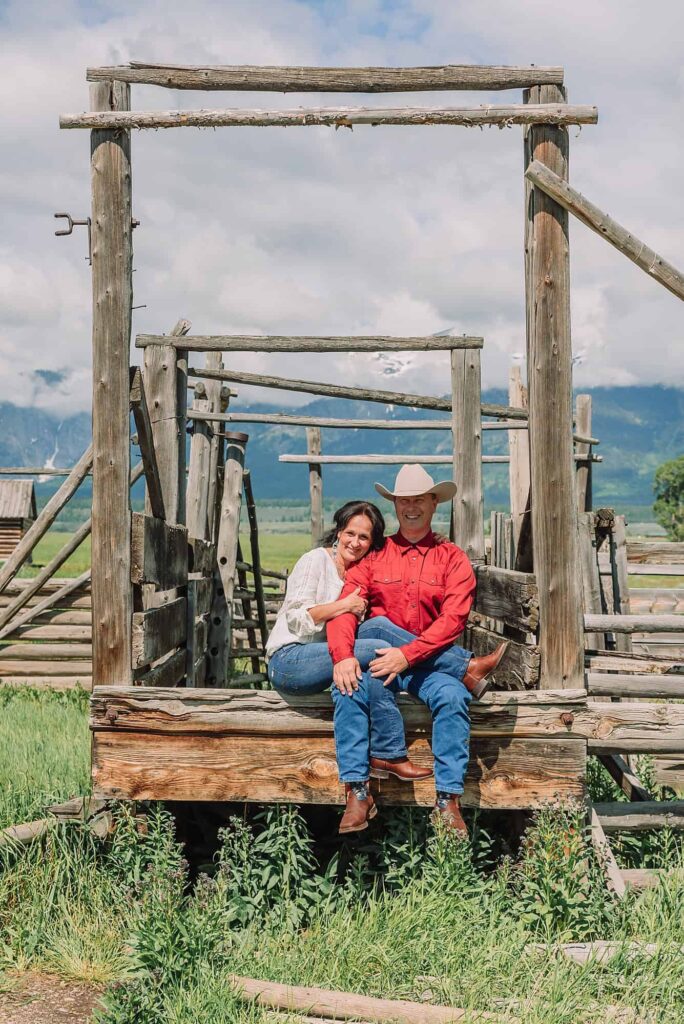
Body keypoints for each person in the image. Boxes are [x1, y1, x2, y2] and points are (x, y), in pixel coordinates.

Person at [327, 465, 508, 836]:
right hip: (381, 666)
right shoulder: (373, 556)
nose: (411, 507)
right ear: (394, 505)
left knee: (454, 698)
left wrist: (408, 655)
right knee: (348, 687)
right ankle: (357, 793)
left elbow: (453, 619)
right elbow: (347, 607)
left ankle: (447, 801)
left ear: (433, 503)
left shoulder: (452, 558)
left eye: (419, 500)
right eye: (403, 500)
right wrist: (343, 655)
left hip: (428, 665)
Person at [266, 500, 434, 820]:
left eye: (364, 538)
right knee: (374, 646)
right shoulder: (316, 560)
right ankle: (457, 665)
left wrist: (345, 653)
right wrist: (344, 606)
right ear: (338, 532)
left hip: (326, 659)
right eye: (350, 533)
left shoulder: (355, 572)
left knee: (356, 675)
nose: (355, 543)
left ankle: (359, 791)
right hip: (290, 661)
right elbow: (298, 619)